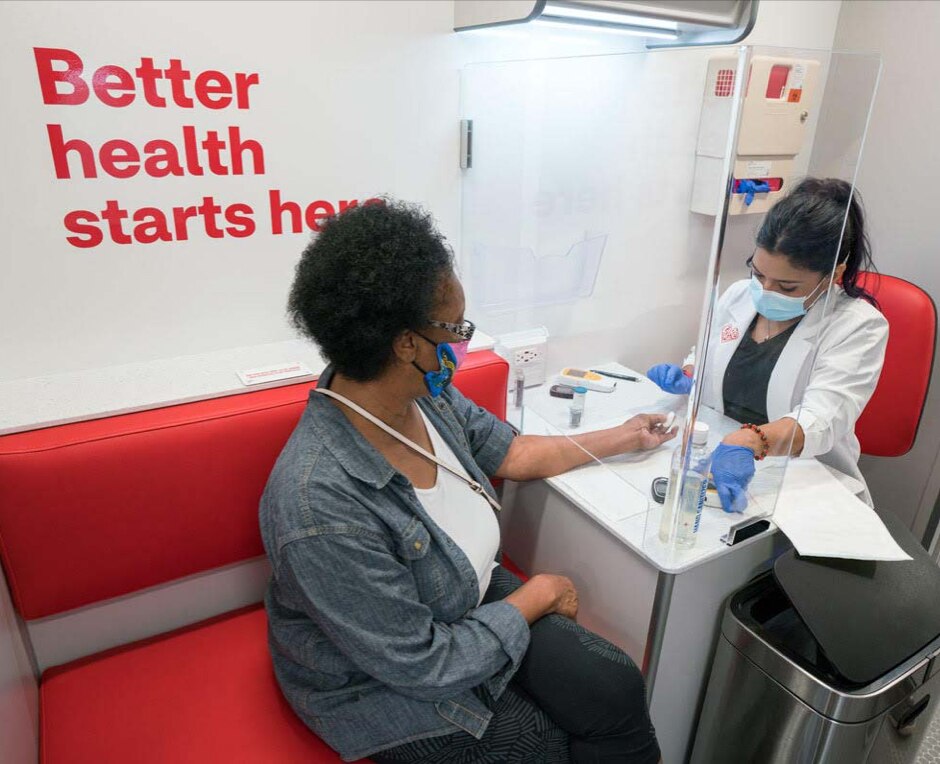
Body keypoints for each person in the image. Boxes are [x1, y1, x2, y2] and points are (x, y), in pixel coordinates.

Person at [259, 199, 671, 763]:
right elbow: (427, 665)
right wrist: (538, 594)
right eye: (455, 328)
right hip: (383, 681)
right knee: (541, 748)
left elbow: (514, 451)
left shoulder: (425, 395)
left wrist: (622, 436)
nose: (463, 340)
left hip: (462, 597)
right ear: (405, 343)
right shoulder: (319, 504)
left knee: (613, 684)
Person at [647, 177, 888, 511]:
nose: (766, 291)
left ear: (834, 274)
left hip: (803, 481)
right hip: (719, 459)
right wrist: (690, 374)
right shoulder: (739, 296)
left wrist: (750, 441)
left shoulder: (858, 327)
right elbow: (707, 355)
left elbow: (822, 418)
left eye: (787, 287)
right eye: (759, 274)